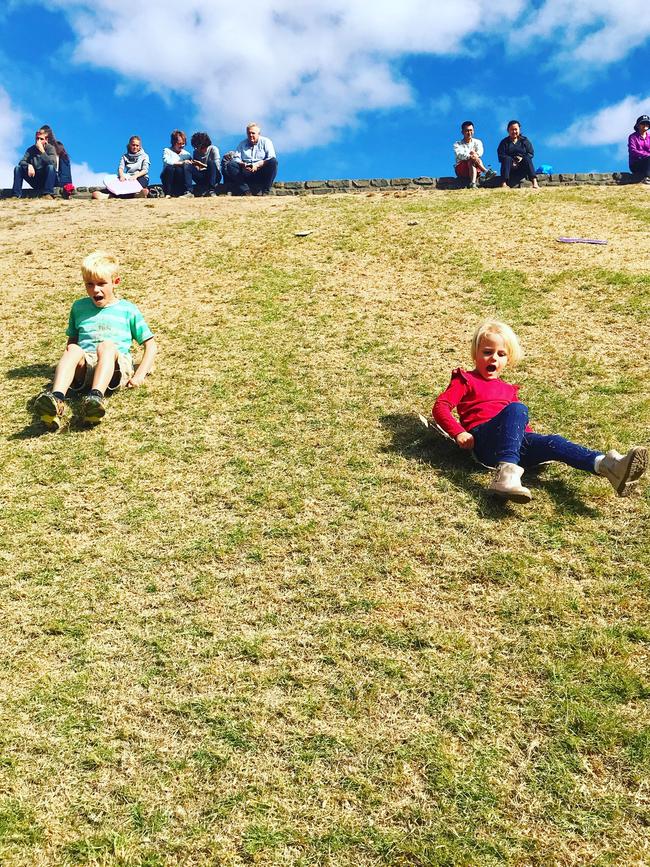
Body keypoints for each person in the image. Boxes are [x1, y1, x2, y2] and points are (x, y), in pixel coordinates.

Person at [432, 319, 647, 503]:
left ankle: (608, 466)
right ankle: (505, 475)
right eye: (487, 352)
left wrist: (535, 441)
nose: (493, 358)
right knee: (517, 409)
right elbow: (441, 406)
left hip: (514, 446)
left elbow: (518, 426)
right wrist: (459, 431)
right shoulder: (465, 379)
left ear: (508, 359)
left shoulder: (508, 390)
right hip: (484, 441)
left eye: (501, 354)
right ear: (475, 354)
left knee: (554, 441)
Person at [33, 251, 157, 430]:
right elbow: (72, 341)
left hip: (115, 365)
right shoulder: (79, 307)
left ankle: (95, 399)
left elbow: (150, 345)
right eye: (89, 284)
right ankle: (57, 399)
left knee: (106, 346)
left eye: (101, 284)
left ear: (115, 282)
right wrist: (69, 365)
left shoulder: (128, 310)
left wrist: (139, 375)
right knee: (74, 349)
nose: (95, 290)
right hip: (86, 366)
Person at [224, 122, 277, 195]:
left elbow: (271, 157)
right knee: (231, 164)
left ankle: (266, 191)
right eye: (249, 133)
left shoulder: (266, 142)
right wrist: (244, 165)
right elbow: (236, 158)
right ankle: (246, 191)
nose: (251, 135)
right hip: (246, 172)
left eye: (253, 133)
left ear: (258, 133)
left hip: (261, 172)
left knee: (273, 162)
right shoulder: (242, 144)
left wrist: (257, 165)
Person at [92, 135, 150, 199]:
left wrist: (135, 176)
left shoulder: (145, 156)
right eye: (133, 145)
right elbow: (120, 168)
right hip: (128, 177)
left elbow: (145, 170)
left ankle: (112, 196)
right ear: (130, 145)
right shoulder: (124, 156)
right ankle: (134, 195)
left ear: (140, 147)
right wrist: (122, 176)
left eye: (137, 145)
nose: (135, 147)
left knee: (133, 187)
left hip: (140, 177)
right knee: (119, 185)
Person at [12, 128, 58, 198]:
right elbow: (21, 162)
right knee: (18, 168)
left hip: (46, 179)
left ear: (46, 140)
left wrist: (42, 151)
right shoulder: (30, 149)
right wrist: (28, 165)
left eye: (41, 139)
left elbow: (53, 164)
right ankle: (16, 195)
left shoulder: (50, 148)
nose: (38, 141)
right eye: (37, 139)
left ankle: (47, 194)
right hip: (35, 178)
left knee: (50, 167)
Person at [497, 120, 539, 189]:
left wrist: (521, 158)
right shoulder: (504, 142)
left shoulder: (524, 140)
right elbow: (500, 155)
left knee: (527, 158)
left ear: (519, 130)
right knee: (507, 159)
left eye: (516, 129)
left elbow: (531, 153)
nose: (514, 132)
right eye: (512, 130)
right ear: (508, 131)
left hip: (522, 167)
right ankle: (504, 183)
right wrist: (512, 161)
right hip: (509, 168)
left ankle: (535, 182)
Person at [453, 121, 493, 189]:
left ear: (473, 131)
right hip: (462, 169)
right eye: (467, 131)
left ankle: (473, 183)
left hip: (476, 168)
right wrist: (470, 156)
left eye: (471, 130)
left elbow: (480, 151)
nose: (469, 133)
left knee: (474, 158)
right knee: (471, 159)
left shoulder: (478, 142)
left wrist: (475, 155)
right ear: (462, 132)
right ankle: (485, 171)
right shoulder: (457, 144)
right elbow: (459, 154)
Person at [161, 130, 194, 198]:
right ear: (174, 143)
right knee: (170, 168)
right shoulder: (167, 150)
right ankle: (168, 193)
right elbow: (167, 161)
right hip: (168, 176)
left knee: (180, 170)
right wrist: (182, 163)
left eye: (183, 143)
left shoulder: (187, 154)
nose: (181, 146)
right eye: (179, 143)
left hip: (180, 178)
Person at [190, 132, 221, 196]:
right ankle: (188, 191)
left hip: (214, 176)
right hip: (203, 176)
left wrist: (202, 165)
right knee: (188, 166)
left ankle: (211, 190)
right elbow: (198, 169)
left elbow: (216, 167)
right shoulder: (195, 152)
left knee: (210, 162)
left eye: (202, 147)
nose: (200, 150)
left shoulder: (213, 149)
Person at [628, 114, 650, 184]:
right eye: (643, 123)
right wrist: (647, 155)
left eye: (647, 123)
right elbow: (633, 151)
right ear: (638, 125)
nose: (645, 125)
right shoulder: (632, 137)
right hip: (636, 164)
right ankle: (647, 178)